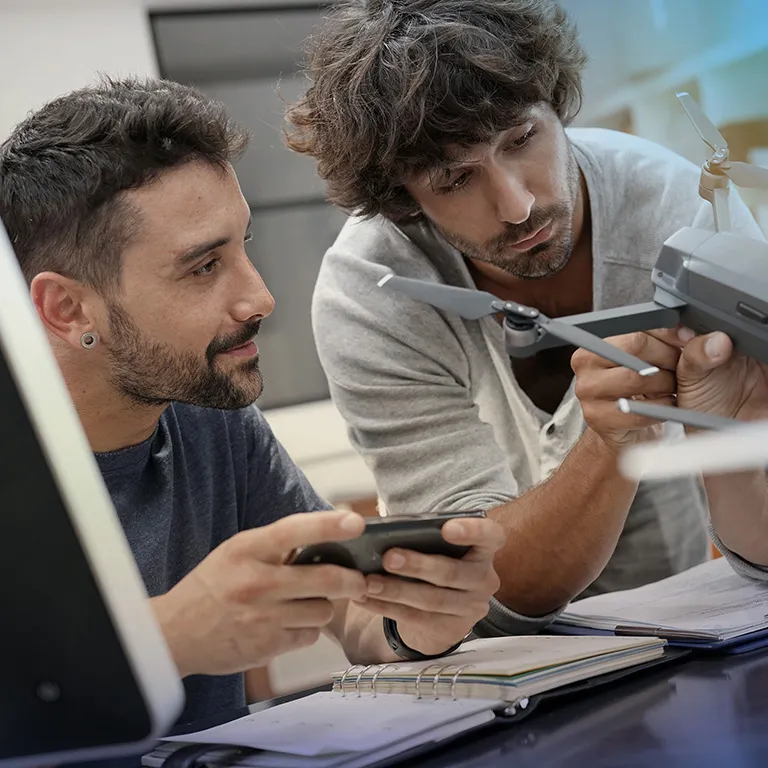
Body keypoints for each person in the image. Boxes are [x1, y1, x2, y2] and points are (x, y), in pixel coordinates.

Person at [0, 76, 506, 726]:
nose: (260, 298)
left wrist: (416, 622)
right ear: (68, 309)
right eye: (203, 267)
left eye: (245, 247)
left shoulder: (211, 415)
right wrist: (171, 635)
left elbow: (347, 609)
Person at [284, 0, 767, 635]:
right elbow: (475, 583)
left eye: (522, 139)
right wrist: (608, 442)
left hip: (672, 561)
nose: (517, 206)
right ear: (400, 198)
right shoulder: (368, 293)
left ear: (557, 107)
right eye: (455, 178)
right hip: (487, 639)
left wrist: (727, 426)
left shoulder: (680, 211)